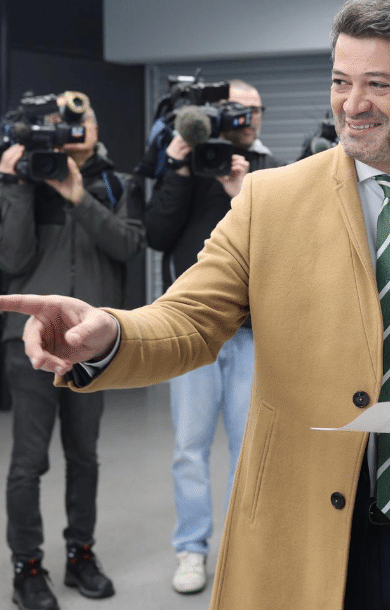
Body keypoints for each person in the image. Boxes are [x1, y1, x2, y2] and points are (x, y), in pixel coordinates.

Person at [0, 0, 390, 610]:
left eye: (379, 85)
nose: (353, 105)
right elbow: (190, 319)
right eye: (340, 81)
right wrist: (113, 333)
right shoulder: (270, 200)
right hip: (305, 529)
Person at [0, 92, 145, 610]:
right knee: (28, 462)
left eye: (84, 119)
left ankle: (81, 555)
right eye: (63, 123)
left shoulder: (114, 182)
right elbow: (10, 259)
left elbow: (129, 245)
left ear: (96, 129)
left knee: (85, 456)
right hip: (28, 346)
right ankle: (27, 568)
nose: (75, 129)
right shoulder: (22, 180)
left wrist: (79, 197)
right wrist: (18, 186)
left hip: (92, 344)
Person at [143, 80, 277, 594]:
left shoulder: (273, 171)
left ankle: (247, 548)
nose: (244, 119)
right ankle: (191, 550)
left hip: (253, 332)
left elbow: (284, 250)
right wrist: (178, 163)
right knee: (189, 447)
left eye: (253, 111)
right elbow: (156, 235)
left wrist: (242, 195)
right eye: (233, 110)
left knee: (250, 448)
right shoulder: (187, 165)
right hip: (195, 332)